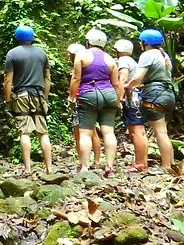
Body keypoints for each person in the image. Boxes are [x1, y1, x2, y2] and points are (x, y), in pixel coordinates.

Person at [70, 29, 122, 176]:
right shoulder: (110, 59)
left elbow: (76, 78)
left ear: (88, 42)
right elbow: (116, 84)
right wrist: (117, 101)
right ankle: (110, 167)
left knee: (85, 133)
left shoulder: (81, 55)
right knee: (108, 132)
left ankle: (86, 167)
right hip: (109, 94)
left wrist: (72, 96)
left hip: (88, 93)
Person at [3, 25, 53, 175]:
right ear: (32, 37)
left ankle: (28, 168)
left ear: (17, 37)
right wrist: (45, 96)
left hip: (22, 95)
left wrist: (7, 99)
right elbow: (47, 78)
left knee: (24, 132)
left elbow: (8, 79)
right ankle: (49, 168)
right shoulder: (41, 53)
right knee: (42, 133)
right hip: (38, 94)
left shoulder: (12, 54)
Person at [126, 29, 176, 171]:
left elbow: (137, 78)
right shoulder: (164, 55)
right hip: (168, 93)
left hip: (155, 93)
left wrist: (127, 86)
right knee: (163, 132)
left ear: (144, 43)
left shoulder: (147, 55)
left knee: (160, 132)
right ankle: (171, 164)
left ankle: (167, 167)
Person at [114, 38, 148, 172]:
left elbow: (122, 79)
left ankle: (140, 163)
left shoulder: (123, 61)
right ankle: (142, 162)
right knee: (138, 131)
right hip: (137, 98)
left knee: (136, 132)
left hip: (131, 99)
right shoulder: (132, 61)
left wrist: (119, 100)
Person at [67, 43, 102, 169]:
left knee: (79, 133)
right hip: (90, 99)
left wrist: (71, 98)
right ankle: (96, 161)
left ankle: (83, 161)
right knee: (92, 132)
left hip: (80, 100)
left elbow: (76, 82)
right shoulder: (89, 65)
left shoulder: (79, 65)